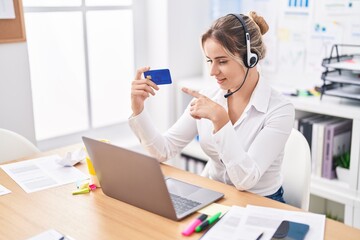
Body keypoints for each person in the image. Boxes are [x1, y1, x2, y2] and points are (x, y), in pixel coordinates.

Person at [128, 11, 295, 203]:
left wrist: (221, 120)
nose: (212, 71)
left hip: (261, 202)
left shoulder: (280, 109)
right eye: (209, 60)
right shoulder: (209, 96)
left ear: (252, 59)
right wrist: (138, 109)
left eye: (222, 61)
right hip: (216, 196)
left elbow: (246, 180)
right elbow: (163, 150)